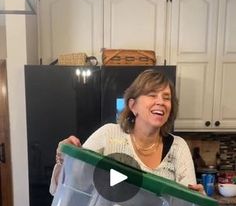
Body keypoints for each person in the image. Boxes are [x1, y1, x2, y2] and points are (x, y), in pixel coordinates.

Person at [50, 69, 204, 195]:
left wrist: (195, 203)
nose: (161, 102)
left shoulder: (178, 148)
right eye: (152, 95)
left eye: (167, 97)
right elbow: (68, 186)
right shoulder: (108, 135)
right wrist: (64, 159)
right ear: (133, 105)